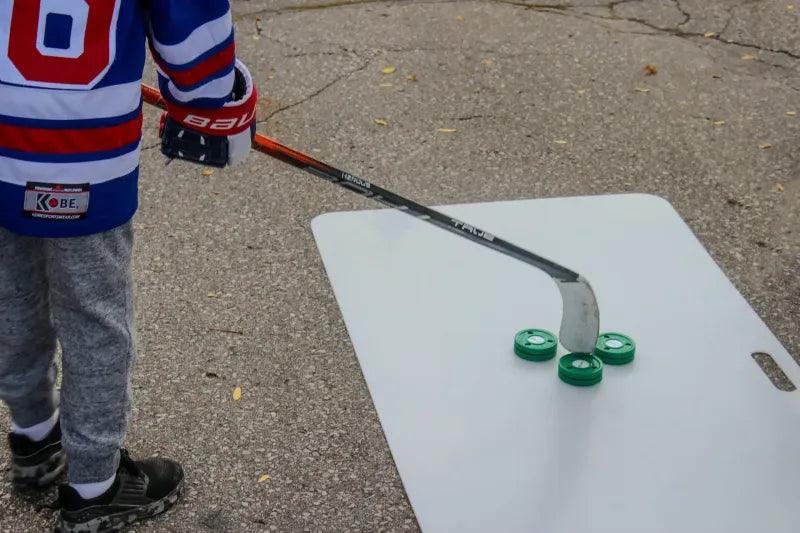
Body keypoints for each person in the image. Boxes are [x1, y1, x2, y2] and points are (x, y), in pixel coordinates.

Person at [0, 1, 257, 530]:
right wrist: (209, 101)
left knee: (12, 303)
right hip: (87, 160)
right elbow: (197, 55)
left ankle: (34, 442)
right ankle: (95, 489)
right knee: (94, 321)